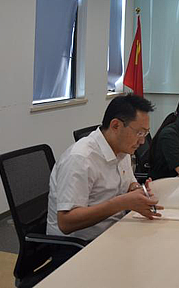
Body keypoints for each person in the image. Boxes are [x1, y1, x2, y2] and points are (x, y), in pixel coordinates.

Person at [47, 94, 162, 245]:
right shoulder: (80, 158)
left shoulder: (123, 150)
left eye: (145, 133)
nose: (142, 141)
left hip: (114, 231)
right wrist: (122, 203)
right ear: (116, 126)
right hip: (78, 245)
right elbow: (66, 222)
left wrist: (137, 190)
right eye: (139, 133)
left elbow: (128, 184)